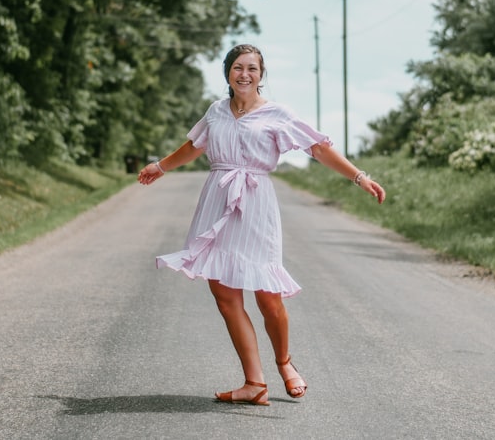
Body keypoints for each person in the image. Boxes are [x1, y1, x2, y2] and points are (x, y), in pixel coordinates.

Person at [137, 43, 386, 406]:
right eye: (238, 67)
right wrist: (160, 166)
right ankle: (254, 383)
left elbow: (316, 148)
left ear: (261, 75)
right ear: (227, 73)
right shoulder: (216, 112)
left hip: (254, 203)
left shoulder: (277, 114)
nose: (245, 74)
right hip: (217, 198)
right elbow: (194, 147)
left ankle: (284, 362)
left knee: (267, 294)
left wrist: (359, 176)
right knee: (224, 293)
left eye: (253, 69)